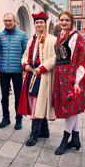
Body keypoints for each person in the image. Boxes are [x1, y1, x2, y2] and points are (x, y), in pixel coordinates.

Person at [53, 11, 85, 155]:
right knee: (73, 109)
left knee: (70, 109)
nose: (63, 22)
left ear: (72, 22)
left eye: (66, 20)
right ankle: (75, 138)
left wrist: (76, 81)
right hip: (61, 76)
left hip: (72, 78)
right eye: (61, 20)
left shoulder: (77, 36)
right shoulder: (61, 35)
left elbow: (82, 59)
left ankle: (65, 141)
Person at [18, 12, 56, 146]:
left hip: (43, 74)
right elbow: (25, 55)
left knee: (37, 103)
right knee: (35, 101)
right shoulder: (31, 39)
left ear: (45, 24)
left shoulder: (52, 39)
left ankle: (34, 134)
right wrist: (26, 64)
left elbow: (54, 58)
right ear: (34, 25)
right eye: (37, 23)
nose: (39, 25)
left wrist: (42, 68)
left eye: (41, 22)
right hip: (31, 74)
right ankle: (44, 130)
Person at [0, 13, 28, 130]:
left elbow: (26, 53)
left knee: (18, 96)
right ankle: (6, 118)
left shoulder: (22, 35)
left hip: (17, 71)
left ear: (14, 21)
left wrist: (24, 69)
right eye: (5, 20)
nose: (8, 22)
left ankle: (18, 119)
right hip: (3, 70)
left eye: (10, 20)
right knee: (4, 96)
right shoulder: (0, 36)